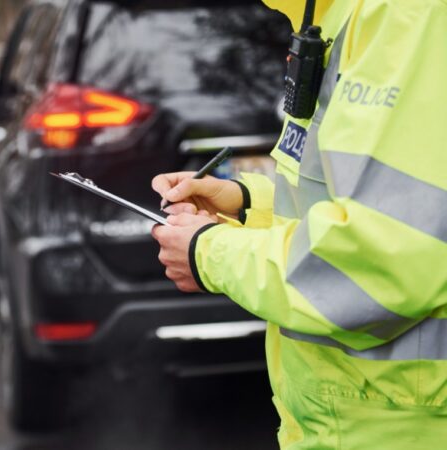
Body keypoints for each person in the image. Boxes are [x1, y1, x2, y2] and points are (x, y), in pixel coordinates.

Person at [150, 0, 447, 448]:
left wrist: (208, 252)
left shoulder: (407, 15)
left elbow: (379, 260)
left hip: (405, 429)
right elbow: (376, 199)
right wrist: (245, 204)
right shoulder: (338, 12)